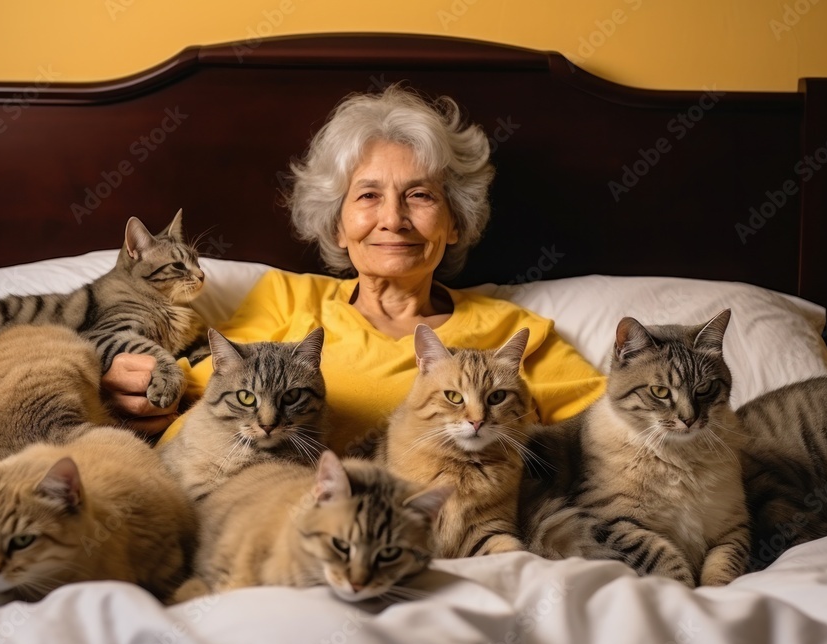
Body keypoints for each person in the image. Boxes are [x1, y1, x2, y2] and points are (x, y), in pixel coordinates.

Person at [102, 85, 605, 453]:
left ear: (455, 222)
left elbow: (616, 438)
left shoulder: (516, 335)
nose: (393, 219)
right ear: (337, 226)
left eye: (420, 195)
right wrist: (130, 383)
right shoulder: (283, 300)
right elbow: (190, 403)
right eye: (368, 195)